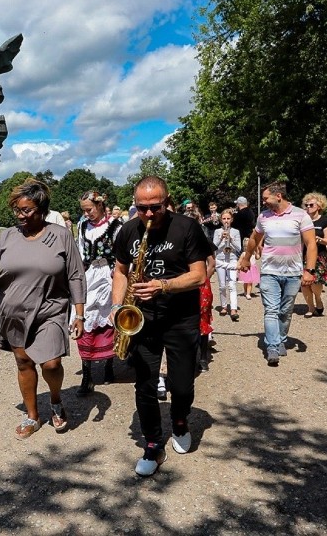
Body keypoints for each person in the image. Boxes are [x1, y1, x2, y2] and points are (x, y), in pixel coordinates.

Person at [110, 176, 209, 476]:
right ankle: (153, 442)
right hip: (142, 319)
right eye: (142, 208)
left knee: (181, 384)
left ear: (167, 201)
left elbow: (199, 275)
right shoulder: (128, 230)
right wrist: (118, 307)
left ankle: (180, 420)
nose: (149, 215)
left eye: (156, 207)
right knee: (144, 384)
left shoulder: (187, 228)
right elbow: (120, 270)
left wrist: (162, 286)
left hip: (181, 317)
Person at [0, 178, 86, 440]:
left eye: (26, 210)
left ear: (42, 209)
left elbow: (75, 276)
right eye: (17, 210)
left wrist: (79, 313)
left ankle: (56, 400)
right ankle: (32, 416)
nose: (20, 215)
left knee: (51, 362)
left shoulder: (60, 236)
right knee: (23, 361)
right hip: (14, 311)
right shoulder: (10, 236)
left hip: (51, 308)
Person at [239, 181, 317, 366]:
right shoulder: (263, 217)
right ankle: (272, 346)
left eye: (266, 198)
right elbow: (254, 238)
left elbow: (311, 244)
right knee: (271, 310)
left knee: (286, 311)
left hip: (292, 273)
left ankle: (281, 339)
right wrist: (246, 257)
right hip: (269, 272)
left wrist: (309, 270)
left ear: (278, 196)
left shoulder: (300, 215)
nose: (263, 201)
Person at [75, 190, 124, 395]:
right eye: (84, 211)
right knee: (84, 320)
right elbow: (79, 250)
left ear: (100, 205)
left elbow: (122, 252)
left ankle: (108, 365)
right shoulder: (82, 226)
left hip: (110, 275)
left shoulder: (115, 226)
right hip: (90, 275)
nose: (86, 214)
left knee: (110, 317)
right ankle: (87, 375)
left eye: (89, 210)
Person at [301, 193, 327, 316]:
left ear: (319, 206)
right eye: (306, 205)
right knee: (304, 283)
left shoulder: (325, 221)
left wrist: (317, 239)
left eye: (311, 205)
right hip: (303, 255)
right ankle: (310, 308)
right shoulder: (303, 220)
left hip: (319, 255)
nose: (308, 207)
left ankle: (318, 299)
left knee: (315, 282)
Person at [212, 209, 242, 321]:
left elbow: (239, 248)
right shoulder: (217, 232)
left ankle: (233, 308)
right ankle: (224, 306)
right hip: (220, 259)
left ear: (232, 219)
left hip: (232, 259)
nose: (226, 221)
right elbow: (214, 247)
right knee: (222, 285)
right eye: (224, 219)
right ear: (221, 220)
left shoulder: (236, 232)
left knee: (232, 284)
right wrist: (221, 239)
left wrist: (231, 239)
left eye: (228, 218)